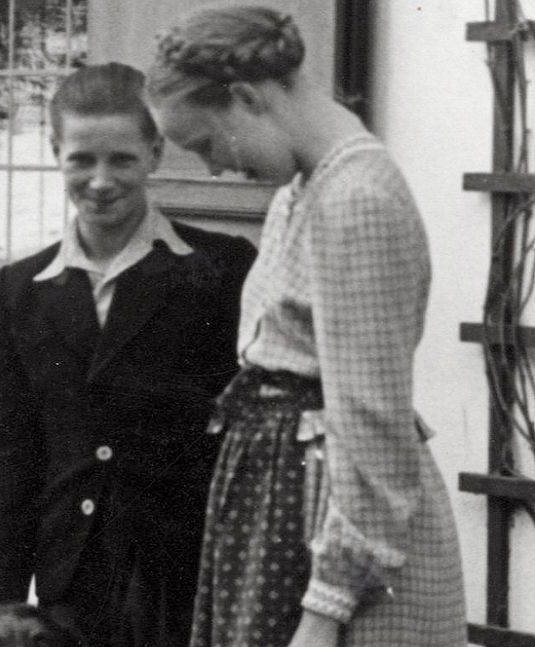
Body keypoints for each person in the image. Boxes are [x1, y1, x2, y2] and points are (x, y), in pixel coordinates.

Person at [143, 7, 466, 647]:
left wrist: (324, 611)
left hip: (335, 534)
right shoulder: (305, 188)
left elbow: (372, 426)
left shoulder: (356, 201)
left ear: (246, 99)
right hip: (286, 511)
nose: (213, 170)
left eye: (206, 145)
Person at [0, 63, 257, 647]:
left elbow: (247, 438)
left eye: (121, 159)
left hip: (188, 577)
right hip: (73, 587)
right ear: (56, 153)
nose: (100, 181)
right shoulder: (20, 289)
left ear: (155, 154)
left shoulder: (220, 269)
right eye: (81, 159)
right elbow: (9, 460)